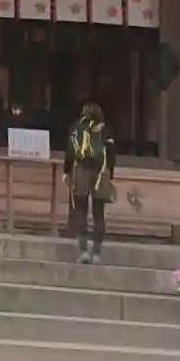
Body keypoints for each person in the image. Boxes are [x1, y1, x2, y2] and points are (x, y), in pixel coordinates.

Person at [66, 102, 116, 264]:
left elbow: (70, 151)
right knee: (98, 213)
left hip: (81, 171)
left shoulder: (76, 129)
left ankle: (83, 251)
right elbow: (111, 154)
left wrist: (66, 171)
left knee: (81, 211)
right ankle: (96, 253)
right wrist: (110, 175)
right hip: (101, 172)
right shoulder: (105, 130)